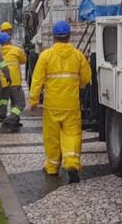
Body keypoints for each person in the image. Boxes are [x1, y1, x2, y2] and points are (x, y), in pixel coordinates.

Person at [29, 20, 91, 184]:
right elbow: (86, 78)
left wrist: (33, 100)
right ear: (69, 36)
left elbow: (37, 80)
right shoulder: (78, 55)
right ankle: (72, 164)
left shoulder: (46, 56)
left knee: (52, 137)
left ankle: (52, 167)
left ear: (54, 37)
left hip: (52, 104)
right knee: (72, 134)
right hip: (71, 104)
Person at [0, 31, 27, 132]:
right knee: (20, 103)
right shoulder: (16, 50)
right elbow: (24, 60)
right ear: (9, 41)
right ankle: (10, 119)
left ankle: (14, 121)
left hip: (3, 81)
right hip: (14, 81)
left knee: (13, 102)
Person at [0, 21, 15, 122]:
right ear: (3, 31)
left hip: (5, 73)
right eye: (7, 31)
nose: (9, 32)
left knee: (5, 96)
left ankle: (2, 114)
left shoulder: (8, 41)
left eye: (10, 31)